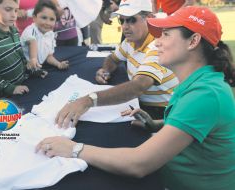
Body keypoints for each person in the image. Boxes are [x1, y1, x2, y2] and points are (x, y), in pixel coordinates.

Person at [36, 6, 235, 190]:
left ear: (193, 41)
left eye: (166, 35)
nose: (157, 41)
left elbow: (138, 164)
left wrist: (73, 148)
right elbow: (199, 127)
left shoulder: (206, 94)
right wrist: (157, 125)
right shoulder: (201, 82)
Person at [55, 0, 179, 128]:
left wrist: (88, 100)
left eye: (131, 20)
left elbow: (138, 86)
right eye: (122, 20)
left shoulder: (158, 46)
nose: (125, 26)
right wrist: (105, 70)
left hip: (162, 112)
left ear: (150, 18)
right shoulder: (130, 41)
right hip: (140, 103)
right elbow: (113, 59)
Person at [0, 0, 29, 99]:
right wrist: (11, 88)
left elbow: (20, 57)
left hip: (23, 86)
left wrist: (31, 70)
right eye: (8, 9)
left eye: (16, 10)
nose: (14, 15)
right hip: (5, 98)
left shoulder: (14, 30)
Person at [21, 0, 69, 70]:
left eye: (52, 19)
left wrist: (58, 64)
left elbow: (48, 56)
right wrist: (33, 59)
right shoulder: (30, 30)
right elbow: (32, 42)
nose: (47, 23)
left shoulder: (50, 34)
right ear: (34, 18)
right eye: (44, 18)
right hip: (26, 70)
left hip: (39, 68)